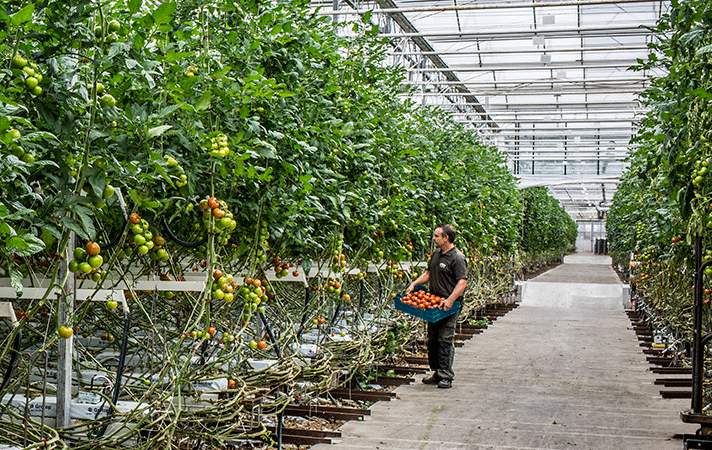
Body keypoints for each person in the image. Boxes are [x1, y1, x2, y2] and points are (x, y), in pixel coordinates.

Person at [406, 224, 467, 389]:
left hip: (450, 306)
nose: (434, 238)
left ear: (446, 238)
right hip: (434, 304)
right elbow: (428, 273)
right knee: (432, 339)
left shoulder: (457, 258)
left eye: (436, 236)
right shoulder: (436, 255)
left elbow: (462, 282)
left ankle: (446, 375)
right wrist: (415, 283)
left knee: (445, 339)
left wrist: (450, 299)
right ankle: (437, 372)